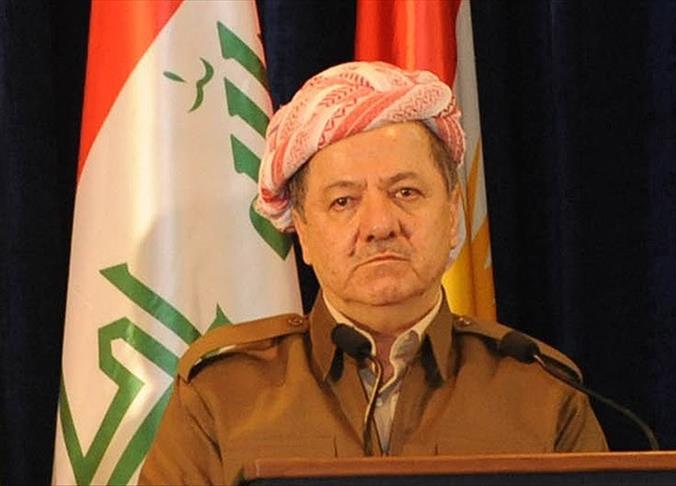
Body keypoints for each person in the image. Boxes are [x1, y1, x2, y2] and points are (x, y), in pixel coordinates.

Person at [140, 61, 607, 485]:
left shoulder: (541, 392)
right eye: (343, 201)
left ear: (452, 215)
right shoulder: (223, 393)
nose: (380, 225)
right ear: (302, 232)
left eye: (406, 192)